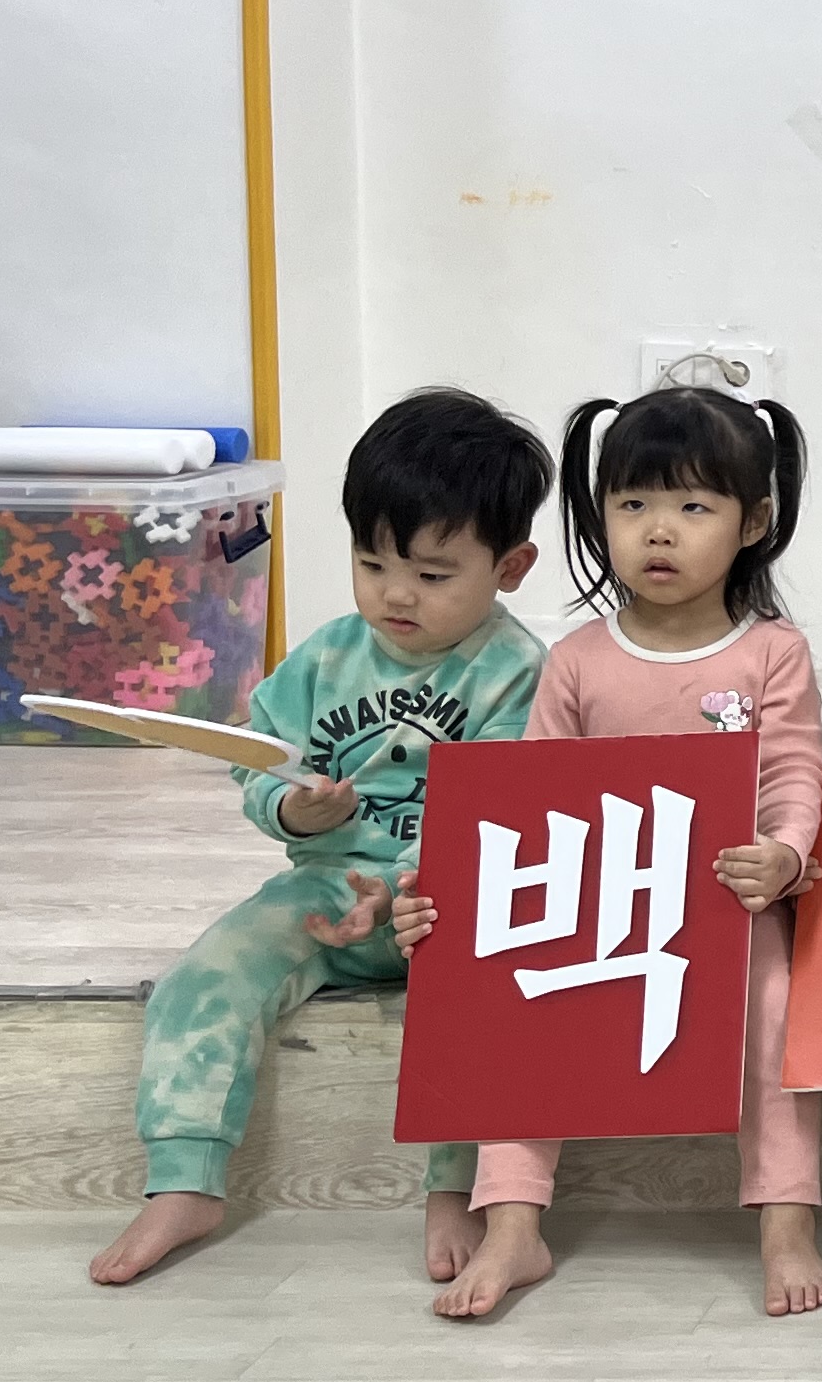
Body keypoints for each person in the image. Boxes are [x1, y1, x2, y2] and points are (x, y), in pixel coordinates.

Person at [87, 389, 550, 1290]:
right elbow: (259, 763)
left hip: (447, 900)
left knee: (487, 997)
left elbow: (508, 813)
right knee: (204, 974)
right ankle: (185, 1178)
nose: (396, 593)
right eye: (372, 562)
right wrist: (294, 813)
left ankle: (459, 1188)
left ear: (511, 567)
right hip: (325, 892)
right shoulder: (327, 657)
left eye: (433, 574)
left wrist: (408, 883)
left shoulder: (518, 673)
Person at [422, 385, 822, 1323]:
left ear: (753, 522)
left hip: (725, 906)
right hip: (596, 903)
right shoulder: (576, 659)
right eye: (633, 502)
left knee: (775, 1008)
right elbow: (535, 797)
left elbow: (793, 771)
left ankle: (786, 1223)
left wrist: (781, 854)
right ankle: (514, 1223)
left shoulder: (770, 652)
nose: (659, 530)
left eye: (694, 506)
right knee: (523, 1004)